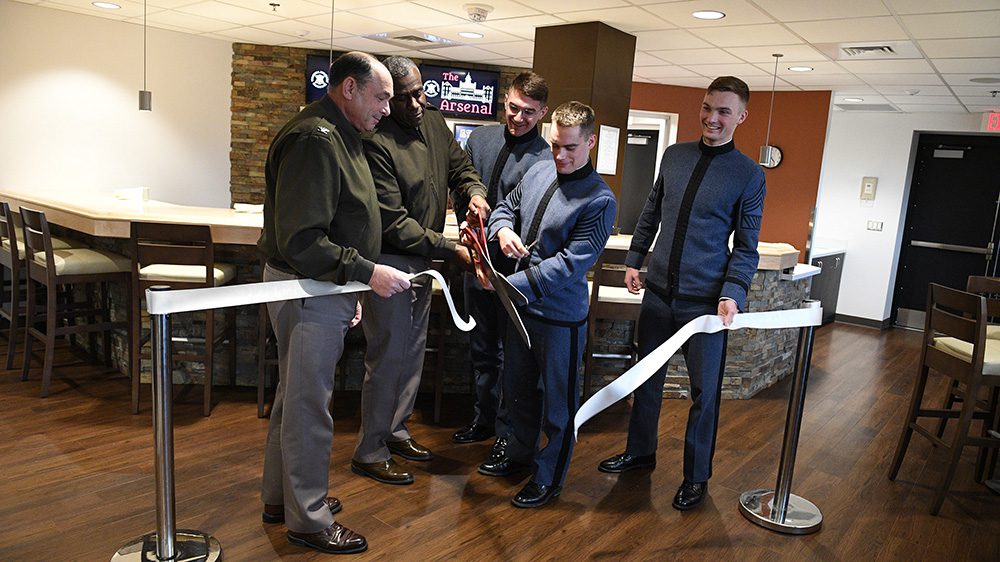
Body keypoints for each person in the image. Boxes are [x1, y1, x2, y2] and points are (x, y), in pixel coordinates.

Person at [258, 52, 413, 555]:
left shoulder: (340, 135)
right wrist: (367, 273)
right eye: (381, 96)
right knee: (309, 407)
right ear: (349, 87)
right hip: (305, 289)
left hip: (321, 289)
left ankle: (285, 499)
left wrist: (351, 288)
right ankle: (309, 519)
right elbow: (303, 239)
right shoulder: (315, 139)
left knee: (294, 398)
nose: (387, 109)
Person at [597, 76, 766, 511]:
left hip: (705, 307)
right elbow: (651, 211)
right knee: (646, 380)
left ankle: (696, 478)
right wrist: (635, 258)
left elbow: (747, 248)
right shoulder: (674, 156)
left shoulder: (749, 175)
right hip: (657, 294)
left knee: (704, 395)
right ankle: (640, 453)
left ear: (741, 117)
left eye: (724, 111)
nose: (712, 117)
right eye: (708, 107)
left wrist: (733, 293)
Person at [352, 56, 489, 485]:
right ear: (387, 97)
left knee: (410, 354)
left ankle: (395, 431)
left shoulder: (434, 122)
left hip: (423, 261)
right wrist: (451, 250)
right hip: (390, 260)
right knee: (387, 356)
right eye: (404, 97)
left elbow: (461, 169)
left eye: (419, 92)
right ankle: (370, 450)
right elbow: (394, 222)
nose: (415, 103)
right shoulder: (376, 139)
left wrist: (474, 195)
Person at [476, 101, 616, 508]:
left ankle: (549, 477)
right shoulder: (538, 169)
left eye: (570, 148)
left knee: (559, 407)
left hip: (559, 318)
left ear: (591, 142)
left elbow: (571, 265)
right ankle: (519, 456)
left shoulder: (601, 200)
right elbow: (504, 208)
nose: (560, 155)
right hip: (520, 309)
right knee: (517, 392)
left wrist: (508, 284)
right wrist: (502, 233)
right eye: (556, 144)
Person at [451, 72, 552, 461]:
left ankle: (508, 433)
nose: (518, 117)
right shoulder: (480, 139)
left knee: (513, 356)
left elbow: (531, 216)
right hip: (474, 260)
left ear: (542, 112)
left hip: (512, 271)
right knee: (481, 350)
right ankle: (483, 419)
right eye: (513, 107)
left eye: (529, 112)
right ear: (504, 100)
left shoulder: (545, 157)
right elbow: (462, 187)